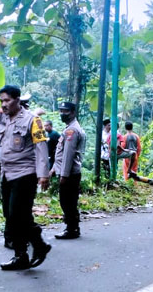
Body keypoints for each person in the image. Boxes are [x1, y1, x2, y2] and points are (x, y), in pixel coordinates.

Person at [0, 70, 51, 271]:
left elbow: (41, 147)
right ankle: (37, 245)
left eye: (7, 101)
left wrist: (43, 174)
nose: (3, 105)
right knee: (11, 214)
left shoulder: (33, 120)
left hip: (26, 174)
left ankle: (23, 254)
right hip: (7, 174)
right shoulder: (5, 118)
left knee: (16, 215)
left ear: (17, 100)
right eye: (2, 101)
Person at [50, 102, 86, 240]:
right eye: (61, 111)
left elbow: (68, 154)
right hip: (68, 172)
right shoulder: (69, 128)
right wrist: (54, 169)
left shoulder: (72, 131)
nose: (62, 114)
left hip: (70, 173)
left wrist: (64, 175)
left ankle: (72, 229)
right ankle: (72, 227)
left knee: (67, 201)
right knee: (68, 201)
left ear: (73, 112)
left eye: (66, 111)